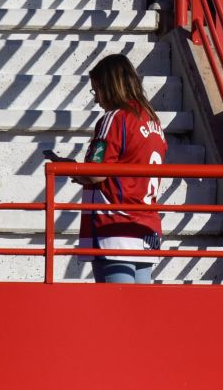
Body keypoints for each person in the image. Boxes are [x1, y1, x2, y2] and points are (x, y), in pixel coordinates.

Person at [69, 54, 168, 284]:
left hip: (116, 226)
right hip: (146, 226)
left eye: (97, 91)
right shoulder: (153, 120)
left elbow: (96, 172)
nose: (96, 100)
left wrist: (72, 170)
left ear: (109, 86)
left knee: (116, 311)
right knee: (140, 312)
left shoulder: (115, 118)